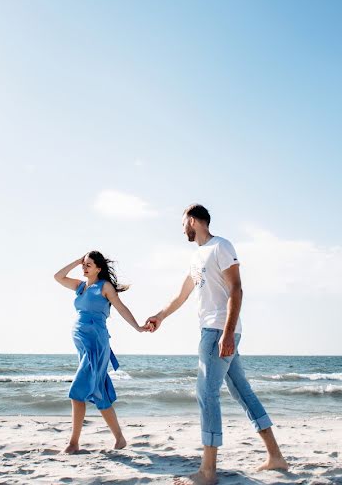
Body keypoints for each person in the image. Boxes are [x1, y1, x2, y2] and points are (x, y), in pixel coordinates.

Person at [145, 204, 288, 484]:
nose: (182, 228)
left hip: (217, 330)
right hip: (214, 330)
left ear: (194, 221)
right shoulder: (196, 257)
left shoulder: (221, 246)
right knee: (241, 392)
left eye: (183, 222)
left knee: (206, 394)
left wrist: (227, 331)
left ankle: (208, 472)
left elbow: (237, 288)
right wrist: (160, 316)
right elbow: (182, 294)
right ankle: (275, 456)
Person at [54, 251, 145, 453]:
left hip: (95, 343)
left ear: (99, 268)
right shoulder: (79, 286)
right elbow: (58, 276)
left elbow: (121, 308)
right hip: (82, 345)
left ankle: (73, 443)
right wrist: (77, 260)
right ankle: (120, 439)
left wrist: (138, 327)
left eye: (88, 264)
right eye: (83, 264)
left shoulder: (104, 287)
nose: (84, 268)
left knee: (77, 392)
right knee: (100, 393)